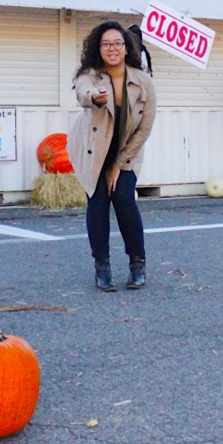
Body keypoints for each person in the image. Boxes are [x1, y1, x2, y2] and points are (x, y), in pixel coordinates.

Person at [68, 21, 157, 291]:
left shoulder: (143, 81)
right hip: (93, 150)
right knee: (97, 204)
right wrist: (95, 97)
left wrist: (118, 165)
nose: (112, 49)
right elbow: (83, 92)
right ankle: (102, 267)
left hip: (126, 152)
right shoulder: (91, 76)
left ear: (127, 47)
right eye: (106, 44)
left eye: (117, 43)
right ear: (99, 48)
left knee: (124, 201)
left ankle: (137, 263)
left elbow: (145, 127)